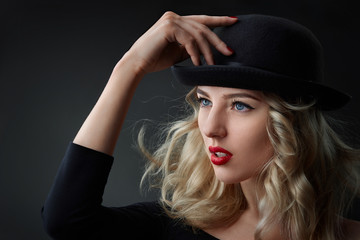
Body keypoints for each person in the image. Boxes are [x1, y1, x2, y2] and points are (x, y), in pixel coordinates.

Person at [42, 11, 360, 240]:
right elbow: (67, 222)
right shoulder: (175, 228)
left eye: (240, 105)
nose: (210, 128)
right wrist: (129, 67)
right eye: (205, 101)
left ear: (295, 122)